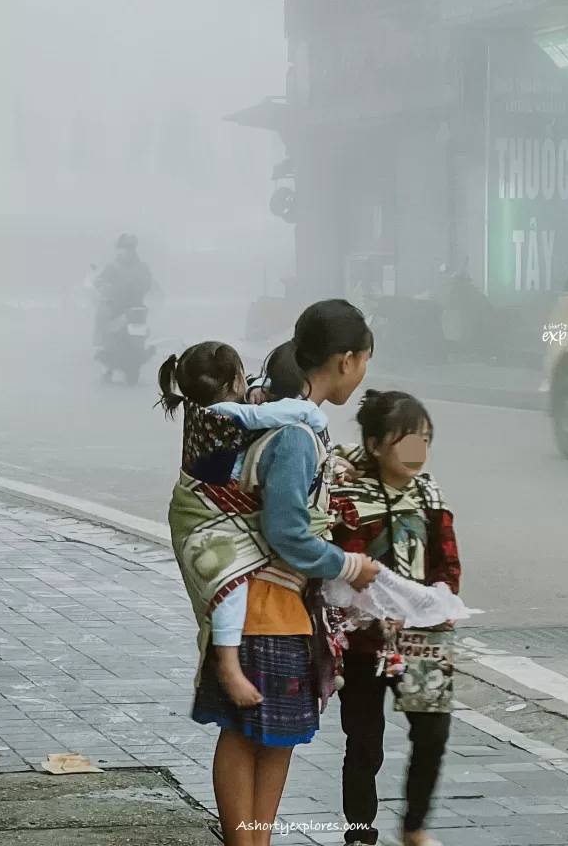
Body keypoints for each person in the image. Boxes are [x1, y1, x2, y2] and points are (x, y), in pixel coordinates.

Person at [174, 300, 379, 846]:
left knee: (275, 738)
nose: (362, 375)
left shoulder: (297, 427)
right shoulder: (294, 436)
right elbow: (289, 532)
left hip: (280, 610)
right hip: (266, 606)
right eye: (363, 363)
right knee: (248, 737)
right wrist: (348, 565)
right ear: (346, 360)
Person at [158, 340, 329, 708]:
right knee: (230, 588)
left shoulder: (202, 407)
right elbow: (268, 416)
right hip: (207, 517)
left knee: (230, 588)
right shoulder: (224, 413)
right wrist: (309, 413)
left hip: (215, 512)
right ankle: (229, 665)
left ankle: (235, 661)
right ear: (236, 377)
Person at [331, 390, 461, 846]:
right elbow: (339, 572)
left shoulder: (430, 494)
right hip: (364, 642)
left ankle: (414, 828)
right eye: (405, 440)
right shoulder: (347, 497)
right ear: (374, 445)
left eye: (424, 439)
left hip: (423, 640)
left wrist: (438, 604)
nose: (417, 452)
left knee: (433, 735)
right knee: (365, 744)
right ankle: (360, 834)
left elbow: (447, 562)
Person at [93, 233, 153, 348]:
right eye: (125, 248)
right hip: (134, 307)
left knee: (101, 313)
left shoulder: (113, 266)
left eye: (127, 248)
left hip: (121, 307)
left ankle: (100, 343)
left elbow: (98, 282)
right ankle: (104, 342)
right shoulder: (141, 266)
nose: (125, 251)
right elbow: (148, 284)